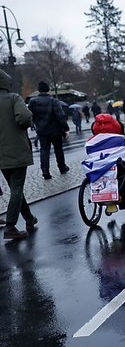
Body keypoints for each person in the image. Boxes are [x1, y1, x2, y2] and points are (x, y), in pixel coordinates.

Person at [0, 69, 38, 239]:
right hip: (15, 149)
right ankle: (10, 226)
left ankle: (29, 218)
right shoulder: (13, 98)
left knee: (16, 187)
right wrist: (29, 117)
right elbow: (23, 118)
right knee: (16, 188)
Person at [28, 81, 70, 179]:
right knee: (58, 150)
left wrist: (34, 124)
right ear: (48, 90)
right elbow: (60, 116)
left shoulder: (33, 101)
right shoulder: (53, 101)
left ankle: (45, 170)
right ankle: (62, 167)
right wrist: (65, 128)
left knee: (44, 150)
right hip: (55, 130)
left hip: (42, 130)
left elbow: (30, 114)